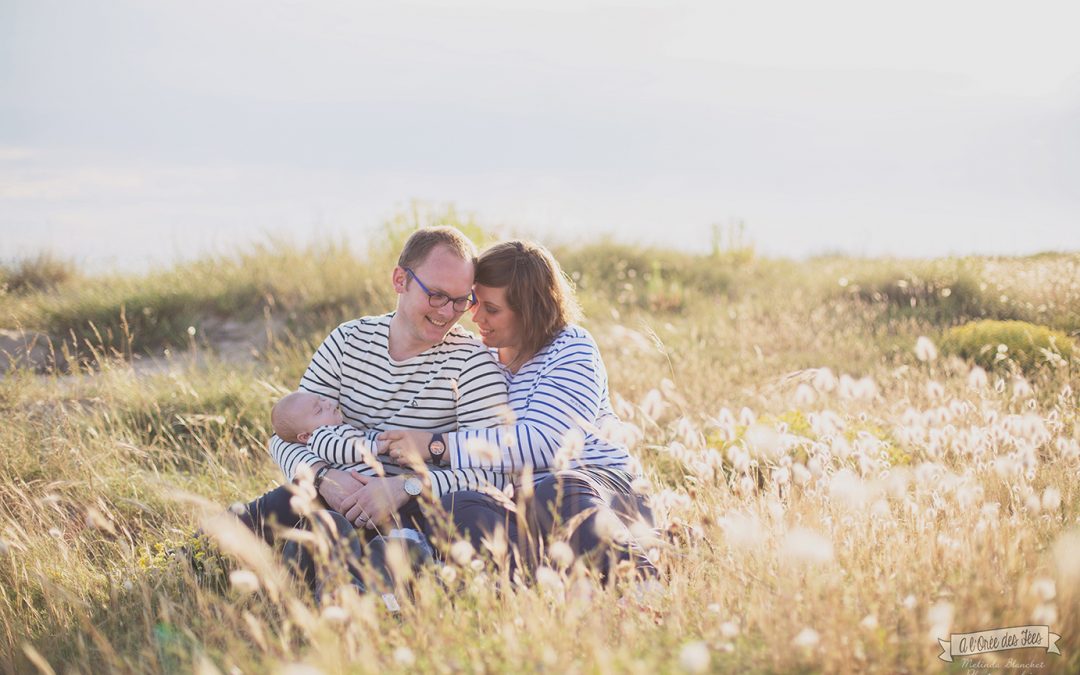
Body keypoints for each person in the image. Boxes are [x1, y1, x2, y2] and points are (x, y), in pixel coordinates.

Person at [236, 226, 511, 592]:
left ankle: (351, 581)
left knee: (430, 533)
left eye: (462, 301)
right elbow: (286, 437)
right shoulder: (347, 341)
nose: (449, 313)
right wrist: (324, 478)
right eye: (437, 296)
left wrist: (407, 487)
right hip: (337, 495)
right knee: (276, 507)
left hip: (418, 509)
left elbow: (493, 473)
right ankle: (203, 559)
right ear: (401, 280)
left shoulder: (473, 364)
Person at [379, 240, 656, 583]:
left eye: (492, 309)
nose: (475, 317)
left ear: (530, 310)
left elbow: (544, 444)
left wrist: (437, 446)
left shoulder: (571, 349)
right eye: (475, 302)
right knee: (459, 505)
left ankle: (642, 586)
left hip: (600, 492)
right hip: (524, 508)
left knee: (556, 491)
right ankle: (526, 587)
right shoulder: (481, 359)